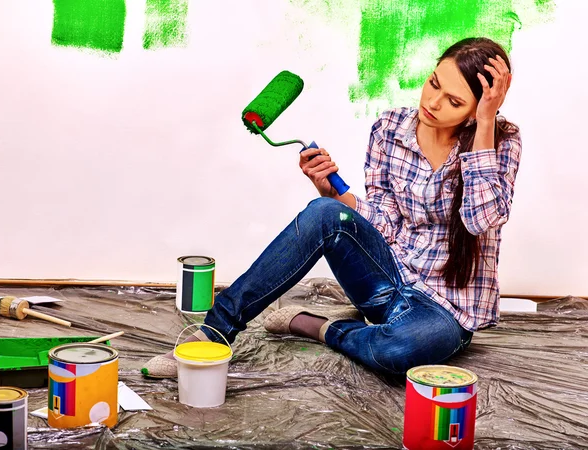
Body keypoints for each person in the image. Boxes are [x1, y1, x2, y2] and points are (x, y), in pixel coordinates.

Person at [142, 37, 522, 378]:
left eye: (454, 102)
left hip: (443, 308)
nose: (432, 102)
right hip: (387, 279)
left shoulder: (501, 141)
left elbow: (480, 220)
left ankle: (317, 326)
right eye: (434, 83)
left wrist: (486, 124)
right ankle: (213, 332)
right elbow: (386, 220)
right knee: (324, 213)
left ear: (476, 110)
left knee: (398, 350)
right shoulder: (390, 128)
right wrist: (329, 191)